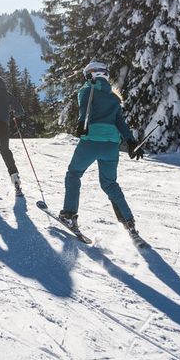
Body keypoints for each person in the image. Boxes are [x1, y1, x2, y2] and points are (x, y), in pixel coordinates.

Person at [59, 60, 144, 242]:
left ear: (91, 74)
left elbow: (85, 110)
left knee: (73, 174)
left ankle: (69, 214)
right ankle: (129, 223)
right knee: (109, 184)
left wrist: (82, 125)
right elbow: (120, 122)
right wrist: (130, 141)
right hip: (111, 145)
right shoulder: (114, 97)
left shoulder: (86, 91)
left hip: (91, 140)